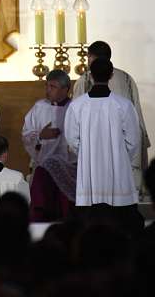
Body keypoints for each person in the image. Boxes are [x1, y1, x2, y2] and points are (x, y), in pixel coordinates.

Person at [65, 58, 143, 234]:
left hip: (89, 175)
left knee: (90, 228)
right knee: (122, 227)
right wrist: (121, 159)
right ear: (111, 75)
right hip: (118, 176)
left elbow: (71, 139)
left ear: (90, 76)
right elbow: (133, 140)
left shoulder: (77, 106)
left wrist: (86, 154)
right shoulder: (123, 105)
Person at [73, 40, 150, 196]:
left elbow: (75, 124)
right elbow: (136, 119)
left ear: (90, 57)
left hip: (95, 152)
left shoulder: (84, 81)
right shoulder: (126, 79)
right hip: (123, 150)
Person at [22, 70, 76, 221]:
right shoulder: (39, 107)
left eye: (52, 87)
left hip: (69, 166)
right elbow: (26, 134)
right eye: (47, 86)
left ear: (66, 89)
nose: (47, 90)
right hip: (44, 166)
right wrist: (40, 135)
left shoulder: (75, 108)